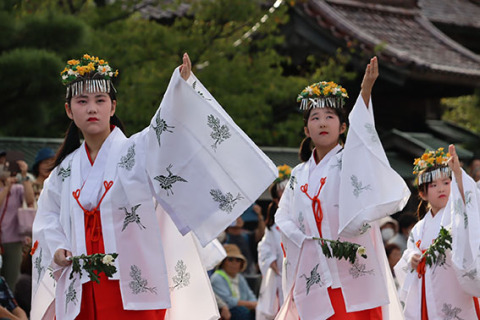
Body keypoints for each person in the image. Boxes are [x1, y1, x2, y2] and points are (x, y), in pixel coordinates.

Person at [31, 53, 277, 319]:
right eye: (82, 101)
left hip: (133, 285)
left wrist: (178, 92)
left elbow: (165, 129)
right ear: (69, 110)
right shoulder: (63, 172)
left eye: (100, 101)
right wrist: (56, 248)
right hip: (81, 287)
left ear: (113, 107)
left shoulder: (136, 150)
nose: (92, 109)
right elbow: (47, 219)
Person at [275, 57, 410, 319]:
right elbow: (283, 215)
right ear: (306, 129)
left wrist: (366, 93)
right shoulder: (298, 174)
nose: (323, 123)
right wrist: (305, 241)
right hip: (313, 265)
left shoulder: (350, 161)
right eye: (315, 117)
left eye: (329, 117)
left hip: (348, 266)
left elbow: (363, 137)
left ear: (343, 127)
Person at [394, 146, 480, 319]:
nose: (441, 189)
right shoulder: (419, 228)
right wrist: (412, 257)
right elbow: (410, 250)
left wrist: (457, 173)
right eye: (433, 185)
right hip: (427, 288)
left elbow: (470, 199)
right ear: (423, 194)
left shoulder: (457, 214)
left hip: (454, 285)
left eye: (446, 183)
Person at [256, 164, 290, 320]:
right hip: (280, 276)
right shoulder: (273, 226)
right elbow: (264, 247)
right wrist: (271, 261)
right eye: (283, 193)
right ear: (276, 200)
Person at [0, 155, 34, 289]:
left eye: (6, 164)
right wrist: (6, 188)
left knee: (12, 281)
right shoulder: (9, 188)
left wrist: (24, 175)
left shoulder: (17, 189)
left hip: (13, 239)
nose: (4, 167)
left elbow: (30, 199)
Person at [210, 244, 257, 320]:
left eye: (238, 260)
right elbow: (229, 301)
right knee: (241, 312)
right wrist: (251, 304)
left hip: (243, 311)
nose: (234, 263)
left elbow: (251, 296)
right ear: (223, 262)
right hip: (230, 314)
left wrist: (255, 305)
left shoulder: (240, 278)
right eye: (230, 259)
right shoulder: (217, 277)